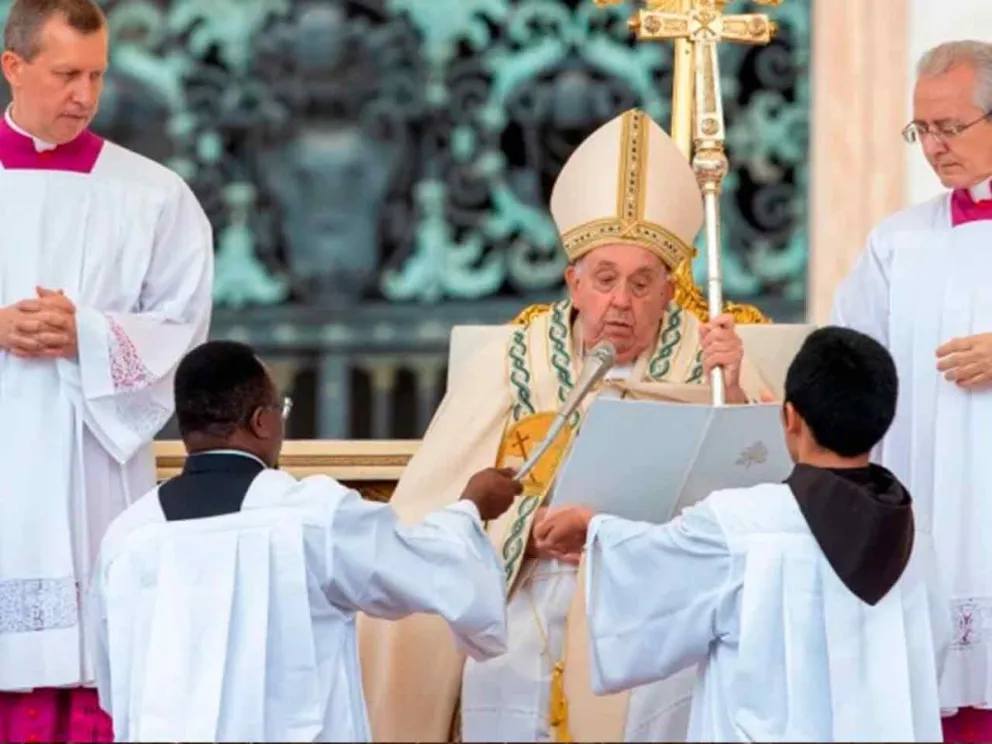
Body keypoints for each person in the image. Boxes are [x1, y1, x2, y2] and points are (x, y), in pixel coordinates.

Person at [358, 108, 772, 743]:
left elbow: (761, 489)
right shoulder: (514, 358)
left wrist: (734, 392)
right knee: (501, 658)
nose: (621, 303)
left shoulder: (711, 357)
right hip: (531, 579)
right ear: (573, 283)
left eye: (642, 283)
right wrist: (527, 533)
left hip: (655, 590)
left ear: (669, 291)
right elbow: (435, 501)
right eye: (605, 280)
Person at [87, 341, 520, 742]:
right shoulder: (310, 515)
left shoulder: (127, 537)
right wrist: (470, 508)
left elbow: (115, 682)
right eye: (282, 409)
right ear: (261, 421)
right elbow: (428, 569)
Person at [534, 326, 951, 742]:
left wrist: (593, 527)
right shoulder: (912, 525)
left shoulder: (741, 523)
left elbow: (653, 572)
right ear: (884, 419)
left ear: (789, 417)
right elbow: (929, 648)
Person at [0, 0, 213, 740]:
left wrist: (89, 335)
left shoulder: (153, 194)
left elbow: (184, 325)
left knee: (95, 664)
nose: (84, 95)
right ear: (12, 66)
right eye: (64, 74)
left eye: (95, 74)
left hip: (93, 469)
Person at [831, 40, 992, 743]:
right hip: (928, 522)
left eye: (949, 127)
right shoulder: (897, 243)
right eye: (920, 129)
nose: (932, 146)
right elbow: (844, 368)